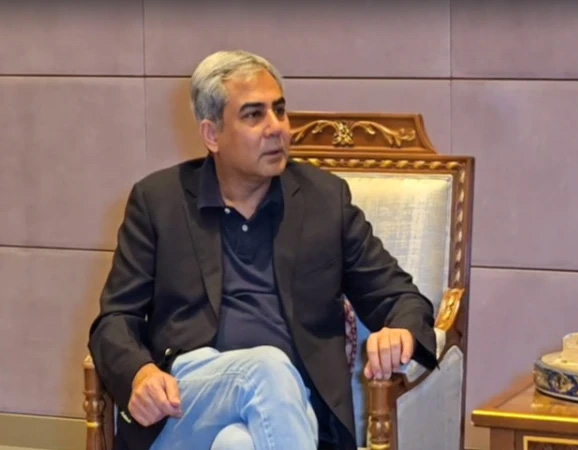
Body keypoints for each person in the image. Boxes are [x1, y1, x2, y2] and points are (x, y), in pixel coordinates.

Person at [88, 49, 437, 450]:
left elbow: (400, 297)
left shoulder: (324, 201)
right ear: (212, 134)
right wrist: (139, 373)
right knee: (266, 368)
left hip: (293, 409)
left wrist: (399, 331)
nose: (277, 128)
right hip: (185, 406)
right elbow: (114, 319)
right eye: (254, 115)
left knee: (239, 443)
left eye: (280, 110)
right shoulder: (159, 201)